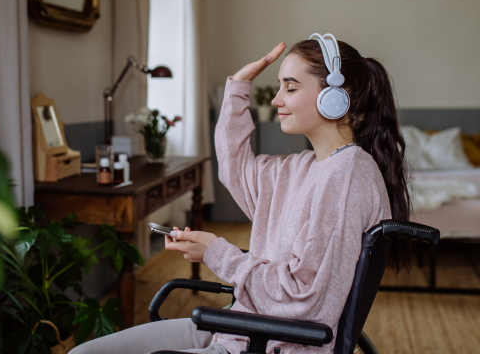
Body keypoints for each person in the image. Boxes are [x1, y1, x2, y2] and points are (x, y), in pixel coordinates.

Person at [69, 36, 411, 354]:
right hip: (241, 328)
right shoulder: (306, 166)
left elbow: (304, 299)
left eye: (290, 88)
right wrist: (237, 88)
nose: (277, 99)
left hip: (269, 343)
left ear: (335, 96)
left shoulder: (346, 176)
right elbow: (235, 168)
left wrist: (218, 253)